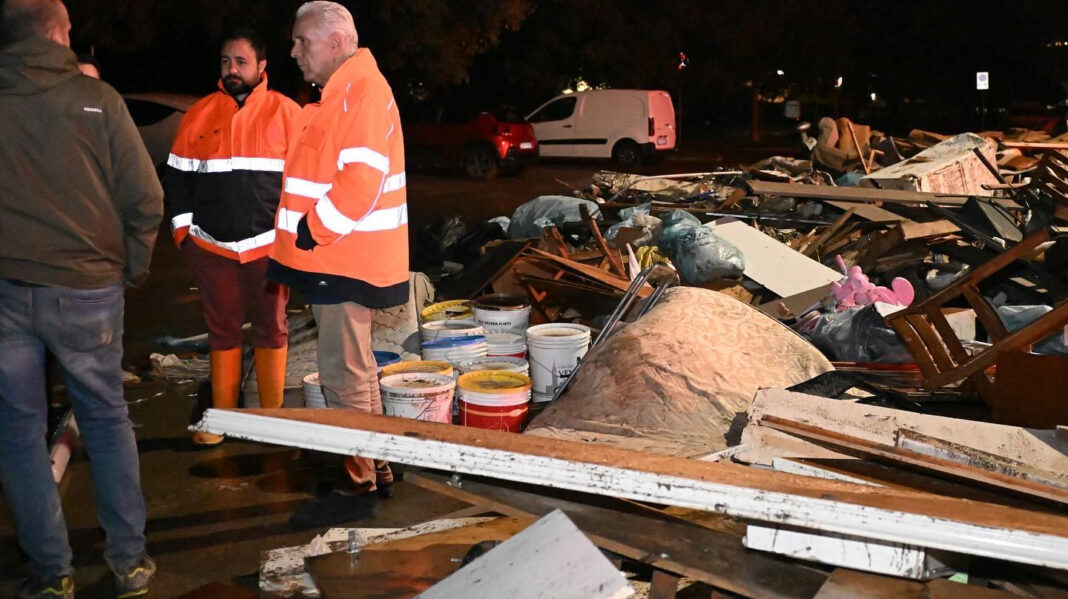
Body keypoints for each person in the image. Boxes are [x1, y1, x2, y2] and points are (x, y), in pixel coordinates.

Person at [0, 0, 162, 596]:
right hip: (89, 289)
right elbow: (144, 200)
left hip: (6, 294)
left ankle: (50, 573)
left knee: (17, 433)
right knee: (105, 417)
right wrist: (130, 272)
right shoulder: (98, 102)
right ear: (55, 32)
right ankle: (129, 561)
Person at [268, 1, 409, 528]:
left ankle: (358, 485)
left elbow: (360, 181)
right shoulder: (348, 90)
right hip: (345, 255)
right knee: (358, 370)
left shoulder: (360, 91)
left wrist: (312, 229)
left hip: (342, 255)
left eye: (302, 41)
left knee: (342, 373)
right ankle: (377, 466)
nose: (294, 51)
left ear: (333, 41)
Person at [163, 29, 300, 445]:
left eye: (241, 62)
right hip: (211, 247)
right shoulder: (199, 114)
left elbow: (304, 183)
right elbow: (178, 180)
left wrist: (292, 239)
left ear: (262, 67)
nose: (232, 70)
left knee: (270, 328)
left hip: (269, 249)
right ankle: (222, 419)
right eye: (226, 61)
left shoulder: (287, 113)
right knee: (221, 330)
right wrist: (183, 235)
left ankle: (270, 422)